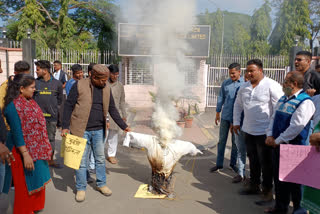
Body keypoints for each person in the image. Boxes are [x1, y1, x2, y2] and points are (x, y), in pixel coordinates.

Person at [62, 64, 130, 202]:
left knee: (99, 159)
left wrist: (124, 126)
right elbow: (68, 105)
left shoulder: (106, 88)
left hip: (99, 130)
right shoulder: (79, 85)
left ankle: (101, 184)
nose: (104, 82)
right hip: (80, 130)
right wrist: (64, 126)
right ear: (93, 76)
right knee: (81, 162)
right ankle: (81, 188)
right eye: (102, 80)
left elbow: (112, 109)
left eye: (106, 80)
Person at [264, 71, 315, 214]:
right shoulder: (282, 99)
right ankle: (280, 207)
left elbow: (296, 127)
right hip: (278, 146)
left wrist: (278, 140)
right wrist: (269, 135)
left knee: (295, 183)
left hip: (294, 148)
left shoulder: (305, 102)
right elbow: (273, 118)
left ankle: (299, 210)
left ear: (294, 84)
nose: (283, 84)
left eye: (286, 81)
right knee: (279, 180)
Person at [233, 59, 283, 204]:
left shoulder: (271, 85)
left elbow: (279, 108)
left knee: (266, 163)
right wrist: (236, 122)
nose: (248, 73)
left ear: (260, 71)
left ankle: (267, 191)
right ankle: (254, 185)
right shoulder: (244, 87)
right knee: (253, 160)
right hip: (248, 130)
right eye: (247, 71)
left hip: (265, 132)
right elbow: (238, 105)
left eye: (252, 71)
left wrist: (273, 131)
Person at [3, 74, 52, 214]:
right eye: (32, 87)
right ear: (21, 89)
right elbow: (18, 133)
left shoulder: (30, 101)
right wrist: (26, 155)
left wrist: (43, 146)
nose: (34, 90)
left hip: (37, 149)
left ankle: (34, 206)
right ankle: (24, 210)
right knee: (25, 184)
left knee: (37, 178)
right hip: (21, 151)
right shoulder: (13, 107)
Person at [210, 63, 244, 173]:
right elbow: (221, 97)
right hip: (225, 116)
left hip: (238, 119)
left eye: (233, 73)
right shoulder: (226, 83)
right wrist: (217, 113)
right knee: (222, 140)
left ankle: (233, 164)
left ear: (239, 72)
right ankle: (219, 164)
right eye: (230, 73)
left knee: (235, 142)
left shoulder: (244, 84)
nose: (231, 75)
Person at [34, 60, 63, 168]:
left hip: (51, 118)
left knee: (50, 139)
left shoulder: (57, 84)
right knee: (38, 139)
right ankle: (40, 162)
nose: (36, 72)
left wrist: (57, 117)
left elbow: (60, 102)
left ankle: (50, 160)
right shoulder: (35, 83)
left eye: (38, 69)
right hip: (37, 119)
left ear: (45, 70)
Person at [106, 64, 127, 164]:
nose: (115, 76)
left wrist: (124, 115)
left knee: (113, 136)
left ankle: (111, 155)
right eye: (113, 74)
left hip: (115, 115)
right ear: (109, 73)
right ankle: (98, 155)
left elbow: (122, 101)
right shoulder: (104, 84)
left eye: (117, 75)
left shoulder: (120, 86)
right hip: (104, 114)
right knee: (102, 136)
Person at [231, 72, 249, 183]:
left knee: (253, 153)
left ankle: (254, 177)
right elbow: (236, 107)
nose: (247, 78)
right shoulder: (241, 89)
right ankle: (241, 174)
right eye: (246, 77)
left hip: (253, 128)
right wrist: (233, 122)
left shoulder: (262, 90)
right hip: (239, 125)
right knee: (240, 150)